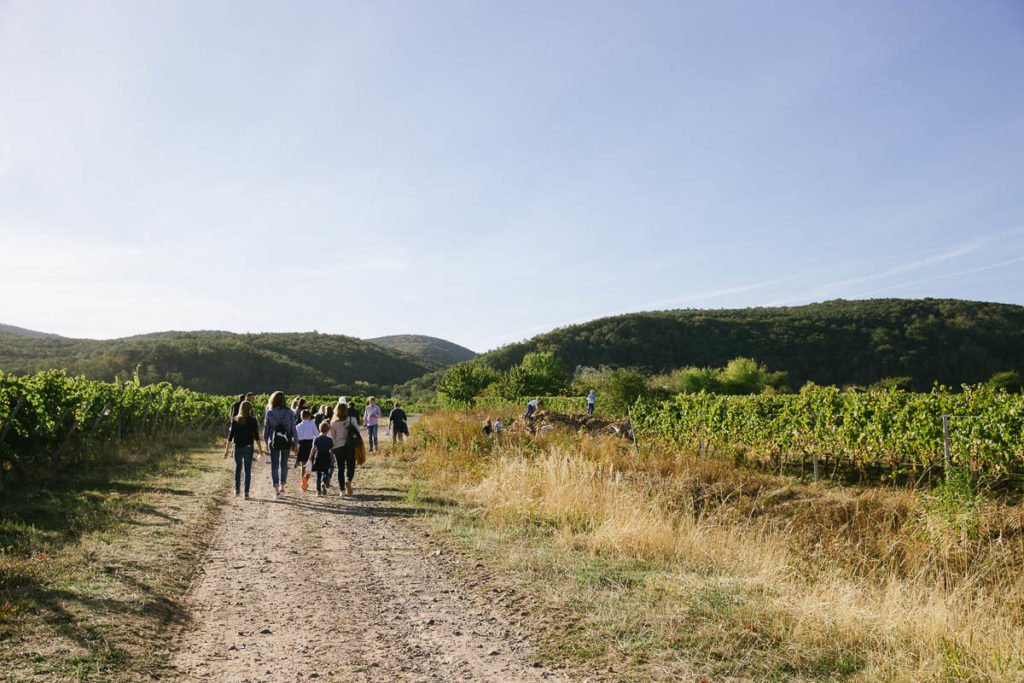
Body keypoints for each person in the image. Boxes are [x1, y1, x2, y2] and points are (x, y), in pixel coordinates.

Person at [224, 400, 264, 499]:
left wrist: (227, 450)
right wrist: (260, 449)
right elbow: (256, 436)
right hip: (248, 447)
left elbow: (230, 436)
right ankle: (246, 493)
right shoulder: (253, 420)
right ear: (250, 409)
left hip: (237, 447)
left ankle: (236, 490)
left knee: (238, 468)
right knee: (247, 470)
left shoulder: (235, 419)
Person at [263, 391, 297, 499]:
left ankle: (276, 491)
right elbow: (293, 429)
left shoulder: (269, 413)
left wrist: (266, 442)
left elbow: (266, 430)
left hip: (273, 441)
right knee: (284, 465)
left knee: (274, 465)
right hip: (286, 441)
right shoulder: (290, 412)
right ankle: (283, 488)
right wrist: (296, 442)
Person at [329, 401, 359, 495]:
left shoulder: (333, 423)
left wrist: (332, 448)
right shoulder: (352, 420)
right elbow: (357, 433)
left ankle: (342, 490)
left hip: (338, 447)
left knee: (340, 468)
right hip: (350, 446)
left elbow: (332, 437)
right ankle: (348, 480)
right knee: (351, 466)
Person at [294, 409, 318, 489]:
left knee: (303, 465)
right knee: (309, 464)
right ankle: (306, 479)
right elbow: (317, 435)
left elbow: (295, 438)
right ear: (309, 416)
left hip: (301, 445)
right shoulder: (312, 425)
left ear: (301, 417)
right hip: (310, 445)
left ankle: (302, 481)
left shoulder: (298, 426)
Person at [311, 421, 336, 496]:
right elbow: (332, 450)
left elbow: (313, 449)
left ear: (319, 429)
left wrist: (310, 458)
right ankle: (323, 482)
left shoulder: (317, 439)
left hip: (318, 457)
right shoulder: (329, 439)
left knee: (318, 475)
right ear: (328, 430)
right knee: (326, 472)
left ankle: (318, 491)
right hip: (327, 457)